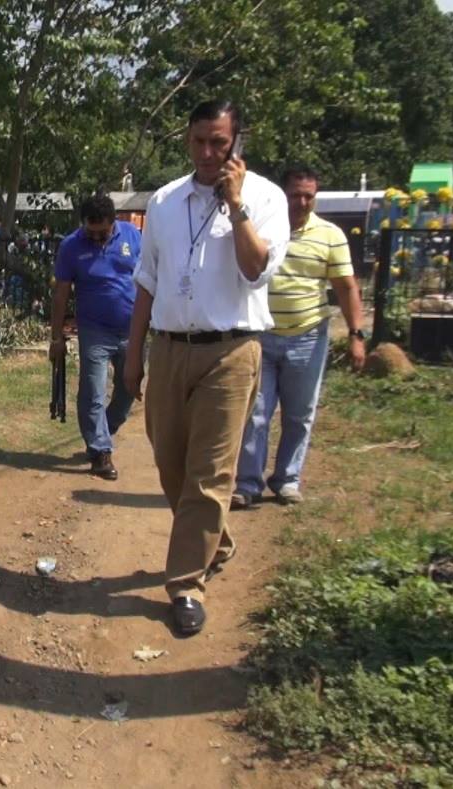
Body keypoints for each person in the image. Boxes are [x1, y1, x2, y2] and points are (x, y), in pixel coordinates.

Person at [123, 99, 289, 637]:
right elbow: (147, 280)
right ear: (188, 140)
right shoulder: (166, 201)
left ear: (237, 142)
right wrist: (133, 355)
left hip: (231, 350)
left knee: (210, 473)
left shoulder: (266, 198)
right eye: (199, 141)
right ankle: (217, 542)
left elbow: (255, 267)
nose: (209, 153)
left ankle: (185, 585)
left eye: (220, 142)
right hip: (170, 348)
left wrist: (236, 204)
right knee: (170, 463)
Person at [233, 167, 366, 508]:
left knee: (299, 414)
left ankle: (287, 479)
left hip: (308, 337)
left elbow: (347, 287)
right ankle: (247, 484)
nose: (303, 202)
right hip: (260, 336)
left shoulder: (330, 235)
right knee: (256, 414)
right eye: (296, 195)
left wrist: (356, 334)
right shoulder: (261, 228)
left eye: (309, 196)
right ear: (283, 194)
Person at [49, 194, 141, 480]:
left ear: (115, 222)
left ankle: (104, 430)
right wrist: (56, 337)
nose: (98, 238)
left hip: (131, 330)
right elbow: (61, 293)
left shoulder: (133, 237)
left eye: (104, 232)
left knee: (130, 387)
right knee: (93, 390)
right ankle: (101, 452)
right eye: (92, 232)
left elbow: (151, 277)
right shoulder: (71, 247)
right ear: (83, 224)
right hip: (94, 331)